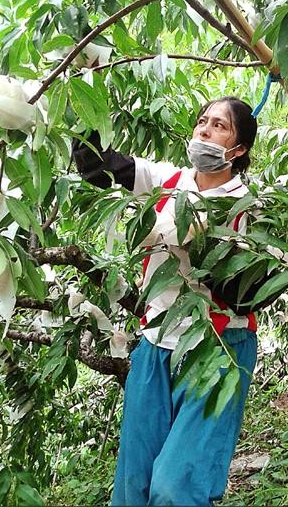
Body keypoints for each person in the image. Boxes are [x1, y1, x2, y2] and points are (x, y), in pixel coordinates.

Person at [73, 96, 262, 506]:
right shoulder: (169, 181)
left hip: (217, 352)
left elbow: (247, 296)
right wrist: (85, 87)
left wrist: (205, 249)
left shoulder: (250, 209)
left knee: (177, 488)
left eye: (219, 126)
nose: (205, 131)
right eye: (202, 122)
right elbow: (103, 166)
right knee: (134, 486)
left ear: (239, 149)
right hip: (156, 346)